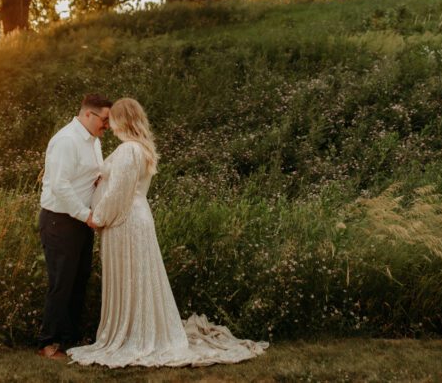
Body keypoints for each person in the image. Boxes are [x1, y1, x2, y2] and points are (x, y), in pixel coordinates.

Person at [67, 98, 268, 368]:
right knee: (137, 278)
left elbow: (119, 194)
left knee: (134, 277)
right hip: (130, 219)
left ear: (122, 119)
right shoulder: (139, 148)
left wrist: (98, 217)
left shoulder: (129, 150)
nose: (108, 124)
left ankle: (134, 335)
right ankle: (136, 329)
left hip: (124, 221)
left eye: (111, 119)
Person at [36, 93, 113, 359]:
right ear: (88, 115)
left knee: (79, 281)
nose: (108, 125)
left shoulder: (93, 142)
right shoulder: (67, 141)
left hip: (81, 220)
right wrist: (85, 214)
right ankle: (48, 343)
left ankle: (70, 341)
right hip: (60, 221)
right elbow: (59, 185)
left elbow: (90, 177)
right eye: (104, 119)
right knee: (61, 283)